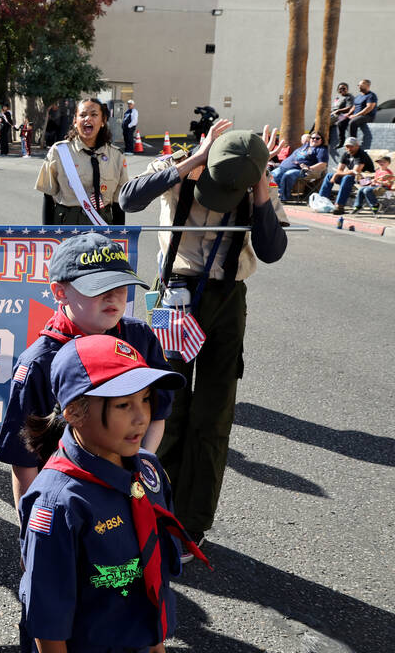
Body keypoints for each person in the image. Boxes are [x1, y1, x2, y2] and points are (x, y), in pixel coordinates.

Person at [119, 122, 288, 551]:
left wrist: (261, 188)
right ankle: (154, 507)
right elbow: (128, 198)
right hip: (172, 294)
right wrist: (194, 160)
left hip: (227, 300)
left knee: (213, 414)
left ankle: (191, 523)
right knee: (162, 406)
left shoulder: (256, 185)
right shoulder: (180, 167)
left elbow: (271, 250)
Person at [18, 335, 205, 653]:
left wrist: (157, 646)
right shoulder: (58, 502)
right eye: (123, 405)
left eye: (146, 399)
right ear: (75, 412)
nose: (142, 416)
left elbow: (154, 567)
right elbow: (48, 620)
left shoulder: (148, 470)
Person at [0, 231, 173, 508]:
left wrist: (138, 464)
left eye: (121, 286)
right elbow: (24, 460)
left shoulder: (139, 337)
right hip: (68, 498)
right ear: (60, 292)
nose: (114, 297)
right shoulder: (39, 363)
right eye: (99, 288)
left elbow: (158, 414)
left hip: (127, 487)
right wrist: (30, 528)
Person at [36, 99, 128, 225]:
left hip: (103, 224)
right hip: (66, 224)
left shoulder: (116, 156)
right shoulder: (59, 151)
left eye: (94, 115)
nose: (87, 119)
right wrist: (47, 236)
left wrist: (119, 238)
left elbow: (118, 203)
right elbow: (48, 196)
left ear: (103, 121)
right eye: (82, 115)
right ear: (75, 120)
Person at [317, 136, 374, 215]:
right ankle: (321, 201)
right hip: (355, 178)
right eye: (347, 147)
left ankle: (339, 206)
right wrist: (337, 174)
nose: (349, 149)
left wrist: (337, 174)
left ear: (357, 146)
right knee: (329, 175)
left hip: (367, 181)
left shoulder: (361, 155)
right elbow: (339, 169)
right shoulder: (346, 154)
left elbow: (355, 172)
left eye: (351, 146)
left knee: (347, 177)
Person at [273, 130, 328, 201]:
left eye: (317, 138)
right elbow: (305, 137)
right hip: (284, 167)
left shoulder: (321, 150)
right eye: (312, 138)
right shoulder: (306, 145)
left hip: (302, 171)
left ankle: (284, 197)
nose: (314, 139)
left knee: (288, 175)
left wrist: (309, 167)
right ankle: (276, 194)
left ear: (321, 140)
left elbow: (323, 164)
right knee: (273, 175)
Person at [342, 78, 377, 145]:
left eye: (360, 85)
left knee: (352, 122)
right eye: (358, 85)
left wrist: (355, 115)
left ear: (367, 85)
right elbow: (354, 107)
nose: (358, 86)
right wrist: (348, 114)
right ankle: (341, 141)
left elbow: (369, 108)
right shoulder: (358, 96)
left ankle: (352, 143)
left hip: (367, 116)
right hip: (356, 115)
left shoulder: (371, 96)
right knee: (340, 120)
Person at [328, 82, 353, 148]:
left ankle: (339, 141)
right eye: (340, 88)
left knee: (327, 122)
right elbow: (334, 107)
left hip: (342, 115)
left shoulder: (349, 97)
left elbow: (349, 108)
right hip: (333, 114)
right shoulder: (338, 97)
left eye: (344, 88)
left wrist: (338, 111)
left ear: (347, 89)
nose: (342, 90)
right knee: (317, 120)